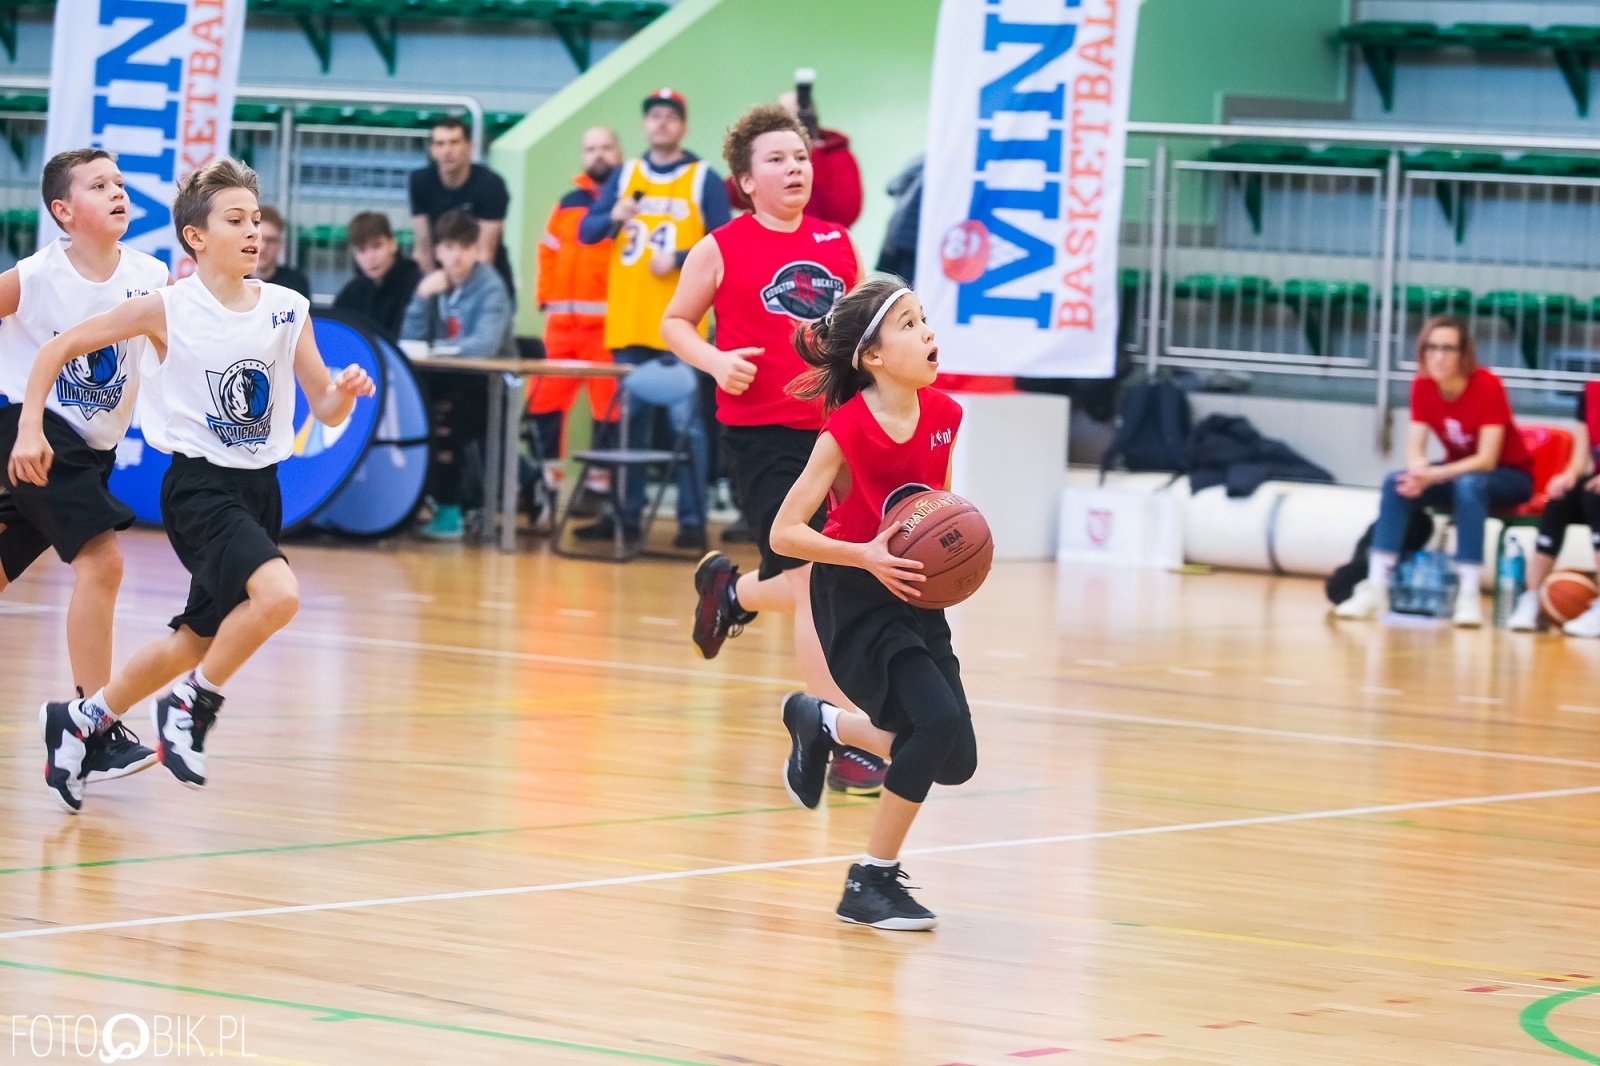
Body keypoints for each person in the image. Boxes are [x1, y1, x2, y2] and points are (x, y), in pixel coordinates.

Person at [11, 157, 374, 812]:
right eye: (235, 219)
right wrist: (31, 422)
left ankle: (81, 721)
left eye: (256, 219)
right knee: (279, 596)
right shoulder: (165, 307)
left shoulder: (288, 309)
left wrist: (344, 394)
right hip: (199, 489)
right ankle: (191, 703)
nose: (252, 231)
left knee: (194, 640)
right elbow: (52, 352)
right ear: (196, 237)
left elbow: (324, 409)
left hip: (260, 490)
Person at [663, 104, 886, 797]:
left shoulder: (837, 242)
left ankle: (730, 592)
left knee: (820, 579)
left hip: (831, 436)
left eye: (800, 157)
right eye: (777, 160)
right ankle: (839, 732)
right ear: (744, 180)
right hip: (760, 437)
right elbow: (674, 322)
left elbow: (853, 341)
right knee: (814, 579)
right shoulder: (720, 246)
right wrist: (713, 359)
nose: (794, 168)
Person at [768, 277, 973, 929]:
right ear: (874, 357)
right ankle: (869, 881)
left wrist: (956, 553)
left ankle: (820, 722)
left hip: (913, 593)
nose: (928, 333)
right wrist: (865, 555)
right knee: (933, 728)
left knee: (955, 759)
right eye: (909, 325)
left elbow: (933, 507)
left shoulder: (946, 416)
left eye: (924, 320)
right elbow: (783, 531)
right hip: (856, 594)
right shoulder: (846, 430)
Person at [0, 147, 170, 800]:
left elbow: (170, 356)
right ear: (64, 211)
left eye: (121, 183)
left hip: (86, 452)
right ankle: (92, 729)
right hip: (33, 433)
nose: (118, 192)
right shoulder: (38, 275)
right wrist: (26, 425)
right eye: (99, 185)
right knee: (103, 564)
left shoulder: (150, 275)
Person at [578, 88, 731, 549]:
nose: (661, 123)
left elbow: (728, 242)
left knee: (690, 429)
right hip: (628, 322)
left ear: (683, 125)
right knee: (631, 427)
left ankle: (691, 521)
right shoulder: (625, 175)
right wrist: (611, 214)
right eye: (654, 116)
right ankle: (627, 518)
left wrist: (682, 257)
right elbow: (587, 231)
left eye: (670, 116)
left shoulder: (703, 177)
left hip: (681, 325)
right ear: (644, 126)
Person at [1336, 315, 1534, 627]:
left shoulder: (1488, 384)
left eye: (1448, 348)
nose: (1438, 356)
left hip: (1509, 476)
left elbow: (1486, 459)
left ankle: (1468, 596)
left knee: (1469, 485)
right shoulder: (1422, 385)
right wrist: (1418, 473)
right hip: (1459, 473)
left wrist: (1435, 475)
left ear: (1463, 353)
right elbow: (1415, 448)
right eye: (1431, 347)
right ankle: (1376, 588)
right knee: (1396, 482)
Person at [401, 208, 515, 541]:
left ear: (477, 249)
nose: (456, 255)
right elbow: (409, 341)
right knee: (414, 406)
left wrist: (439, 350)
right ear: (437, 251)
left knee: (444, 416)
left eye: (464, 247)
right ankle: (422, 502)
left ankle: (450, 511)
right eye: (449, 247)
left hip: (488, 389)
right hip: (447, 379)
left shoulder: (491, 288)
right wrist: (422, 297)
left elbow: (484, 346)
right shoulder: (434, 286)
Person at [529, 126, 622, 453]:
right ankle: (546, 481)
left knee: (609, 412)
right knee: (542, 404)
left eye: (606, 147)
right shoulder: (567, 203)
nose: (598, 154)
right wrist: (545, 298)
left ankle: (601, 487)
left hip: (608, 331)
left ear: (619, 152)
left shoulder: (629, 202)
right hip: (560, 330)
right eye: (591, 148)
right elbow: (547, 250)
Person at [1507, 380, 1600, 635]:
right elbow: (1580, 460)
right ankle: (1531, 598)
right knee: (1561, 497)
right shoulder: (1592, 391)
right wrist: (1567, 476)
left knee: (1596, 499)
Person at [409, 116, 514, 303]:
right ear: (432, 150)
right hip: (440, 280)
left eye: (454, 142)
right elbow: (423, 249)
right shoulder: (420, 182)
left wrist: (463, 296)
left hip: (487, 284)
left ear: (469, 146)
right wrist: (439, 291)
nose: (447, 150)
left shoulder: (490, 185)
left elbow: (484, 253)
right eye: (440, 144)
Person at [724, 88, 862, 228]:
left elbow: (846, 214)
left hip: (823, 241)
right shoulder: (766, 153)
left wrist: (813, 152)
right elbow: (732, 195)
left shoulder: (838, 155)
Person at [333, 211, 421, 342]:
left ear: (393, 244)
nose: (370, 257)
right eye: (362, 250)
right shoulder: (352, 291)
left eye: (377, 246)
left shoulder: (415, 283)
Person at [250, 205, 311, 298]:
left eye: (270, 240)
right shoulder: (231, 280)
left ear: (280, 244)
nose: (263, 247)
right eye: (258, 239)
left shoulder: (295, 282)